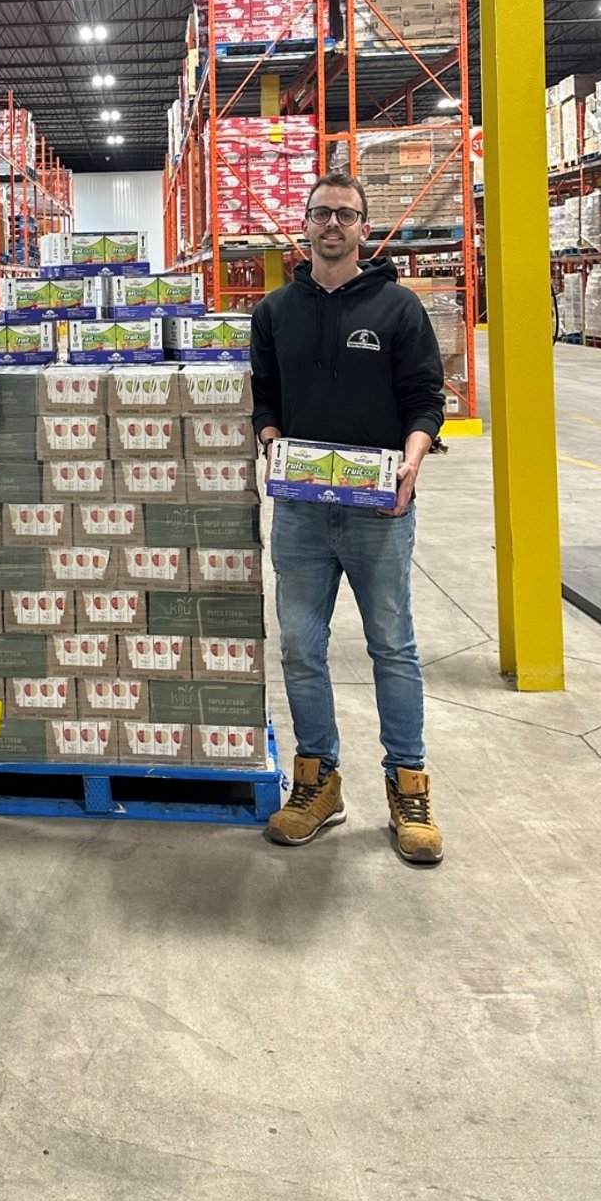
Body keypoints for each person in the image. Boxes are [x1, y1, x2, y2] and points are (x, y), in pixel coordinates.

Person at [250, 174, 447, 864]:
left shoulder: (398, 308)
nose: (332, 223)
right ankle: (317, 780)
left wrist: (413, 459)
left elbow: (426, 398)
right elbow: (264, 398)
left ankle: (408, 786)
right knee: (301, 647)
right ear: (303, 226)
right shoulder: (276, 310)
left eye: (347, 214)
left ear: (364, 228)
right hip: (303, 509)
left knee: (391, 644)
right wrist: (273, 441)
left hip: (378, 509)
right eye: (321, 213)